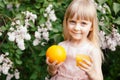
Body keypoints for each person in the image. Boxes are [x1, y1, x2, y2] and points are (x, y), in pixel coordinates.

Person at [46, 0, 104, 80]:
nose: (76, 28)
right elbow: (53, 73)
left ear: (91, 27)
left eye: (83, 23)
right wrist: (52, 68)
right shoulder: (61, 46)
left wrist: (92, 73)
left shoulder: (92, 50)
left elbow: (99, 78)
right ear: (66, 22)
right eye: (72, 22)